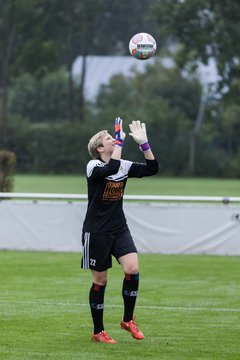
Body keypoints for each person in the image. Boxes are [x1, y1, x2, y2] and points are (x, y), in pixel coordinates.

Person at [81, 117, 159, 344]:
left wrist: (144, 144)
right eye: (109, 139)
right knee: (101, 281)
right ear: (100, 148)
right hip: (96, 233)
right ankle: (98, 331)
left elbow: (152, 169)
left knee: (133, 269)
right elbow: (111, 167)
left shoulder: (123, 165)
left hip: (119, 229)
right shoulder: (93, 166)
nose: (114, 140)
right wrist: (120, 140)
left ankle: (127, 320)